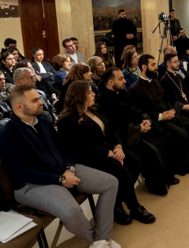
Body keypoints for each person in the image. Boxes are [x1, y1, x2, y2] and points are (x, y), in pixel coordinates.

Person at [0, 86, 122, 248]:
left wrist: (70, 168)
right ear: (19, 107)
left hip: (61, 171)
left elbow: (64, 147)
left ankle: (101, 240)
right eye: (34, 100)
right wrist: (60, 180)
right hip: (31, 184)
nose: (41, 102)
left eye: (39, 98)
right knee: (71, 211)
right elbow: (21, 172)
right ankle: (96, 243)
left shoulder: (43, 120)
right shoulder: (8, 134)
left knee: (110, 182)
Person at [57, 81, 156, 226]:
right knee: (122, 172)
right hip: (90, 157)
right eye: (89, 92)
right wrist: (109, 153)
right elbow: (81, 147)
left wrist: (118, 146)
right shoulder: (67, 120)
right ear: (79, 96)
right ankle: (135, 207)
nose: (94, 94)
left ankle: (115, 203)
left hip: (109, 148)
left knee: (136, 162)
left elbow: (112, 129)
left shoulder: (95, 108)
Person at [98, 68, 176, 195]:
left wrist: (145, 119)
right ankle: (155, 185)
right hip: (125, 136)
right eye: (120, 79)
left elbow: (135, 109)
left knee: (165, 136)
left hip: (137, 126)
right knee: (151, 151)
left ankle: (167, 176)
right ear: (111, 83)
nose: (124, 81)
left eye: (123, 78)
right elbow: (113, 125)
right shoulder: (103, 100)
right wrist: (138, 128)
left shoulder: (122, 92)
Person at [130, 55, 189, 173]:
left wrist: (172, 110)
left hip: (169, 114)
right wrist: (161, 116)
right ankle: (184, 168)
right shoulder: (135, 88)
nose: (156, 67)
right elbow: (142, 112)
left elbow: (165, 99)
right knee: (181, 135)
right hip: (156, 120)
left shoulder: (155, 81)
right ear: (144, 67)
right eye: (153, 65)